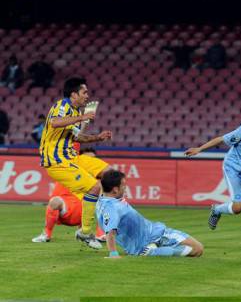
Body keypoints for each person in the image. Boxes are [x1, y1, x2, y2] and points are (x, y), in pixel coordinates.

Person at [185, 106, 241, 251]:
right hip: (234, 169)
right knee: (239, 207)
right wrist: (199, 149)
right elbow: (222, 139)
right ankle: (217, 209)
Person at [39, 77, 113, 249]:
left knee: (103, 181)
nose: (87, 96)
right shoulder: (62, 106)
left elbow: (77, 137)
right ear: (74, 94)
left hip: (71, 158)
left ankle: (90, 229)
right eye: (84, 92)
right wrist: (83, 117)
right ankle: (85, 232)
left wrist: (98, 137)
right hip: (57, 161)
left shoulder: (73, 113)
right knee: (95, 188)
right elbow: (55, 122)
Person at [96, 169, 204, 258]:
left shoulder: (104, 200)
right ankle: (153, 251)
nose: (125, 188)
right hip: (155, 235)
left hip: (141, 242)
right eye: (123, 185)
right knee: (197, 249)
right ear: (115, 189)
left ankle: (153, 249)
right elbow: (110, 232)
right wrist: (113, 254)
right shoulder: (113, 207)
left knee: (194, 248)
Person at [32, 148, 105, 247]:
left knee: (105, 202)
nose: (90, 161)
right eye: (87, 158)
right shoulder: (67, 170)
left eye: (93, 159)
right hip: (67, 210)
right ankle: (46, 235)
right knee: (55, 201)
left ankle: (99, 235)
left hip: (86, 213)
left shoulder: (97, 179)